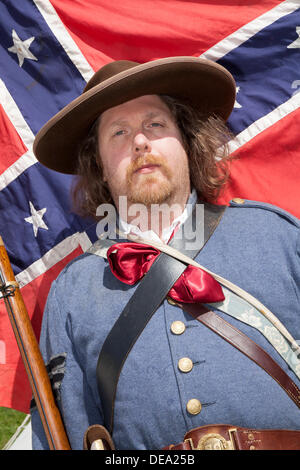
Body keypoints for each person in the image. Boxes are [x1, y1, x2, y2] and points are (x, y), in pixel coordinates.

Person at [31, 57, 300, 450]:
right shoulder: (71, 294)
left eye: (155, 124)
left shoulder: (276, 236)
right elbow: (64, 430)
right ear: (100, 166)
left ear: (187, 142)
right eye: (118, 133)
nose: (140, 141)